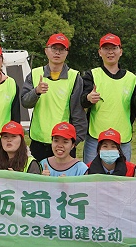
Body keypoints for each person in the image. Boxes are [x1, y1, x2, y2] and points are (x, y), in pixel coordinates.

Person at [81, 33, 136, 163]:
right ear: (100, 52)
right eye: (106, 48)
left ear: (121, 51)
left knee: (122, 174)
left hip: (122, 138)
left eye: (114, 48)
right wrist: (88, 98)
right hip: (96, 137)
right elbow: (82, 101)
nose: (110, 52)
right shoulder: (92, 75)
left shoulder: (131, 78)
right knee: (92, 174)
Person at [21, 33, 88, 161]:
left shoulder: (74, 77)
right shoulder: (35, 74)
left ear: (67, 53)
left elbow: (78, 112)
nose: (57, 52)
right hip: (38, 141)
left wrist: (75, 140)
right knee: (38, 173)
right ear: (46, 50)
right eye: (54, 48)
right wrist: (36, 92)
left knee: (63, 174)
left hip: (64, 142)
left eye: (61, 49)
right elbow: (25, 102)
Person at [0, 121, 41, 247]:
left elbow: (36, 200)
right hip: (0, 219)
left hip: (22, 223)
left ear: (21, 140)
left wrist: (17, 181)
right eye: (5, 137)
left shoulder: (31, 163)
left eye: (13, 137)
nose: (8, 140)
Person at [86, 127, 136, 247]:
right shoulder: (88, 168)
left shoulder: (131, 169)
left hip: (122, 210)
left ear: (119, 150)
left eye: (113, 146)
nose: (109, 150)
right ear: (98, 149)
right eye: (105, 146)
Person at [39, 121, 87, 247]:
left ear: (73, 145)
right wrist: (41, 181)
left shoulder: (81, 168)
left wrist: (70, 187)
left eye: (65, 142)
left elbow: (87, 198)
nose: (59, 146)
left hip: (72, 215)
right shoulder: (43, 164)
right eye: (56, 141)